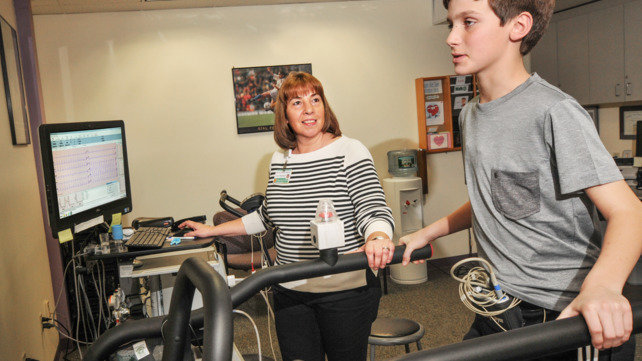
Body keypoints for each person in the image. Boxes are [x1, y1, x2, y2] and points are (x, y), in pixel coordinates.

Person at [400, 0, 642, 360]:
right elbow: (496, 197)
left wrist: (604, 287)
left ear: (518, 26)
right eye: (450, 24)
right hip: (500, 306)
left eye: (468, 22)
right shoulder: (470, 115)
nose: (451, 37)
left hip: (558, 311)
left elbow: (630, 212)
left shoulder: (554, 111)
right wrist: (429, 232)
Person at [180, 71, 395, 361]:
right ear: (284, 114)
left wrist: (378, 237)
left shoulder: (349, 151)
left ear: (325, 106)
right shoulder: (280, 160)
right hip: (289, 290)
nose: (309, 109)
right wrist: (212, 230)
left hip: (343, 291)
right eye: (297, 103)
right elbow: (266, 217)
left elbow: (373, 209)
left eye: (315, 99)